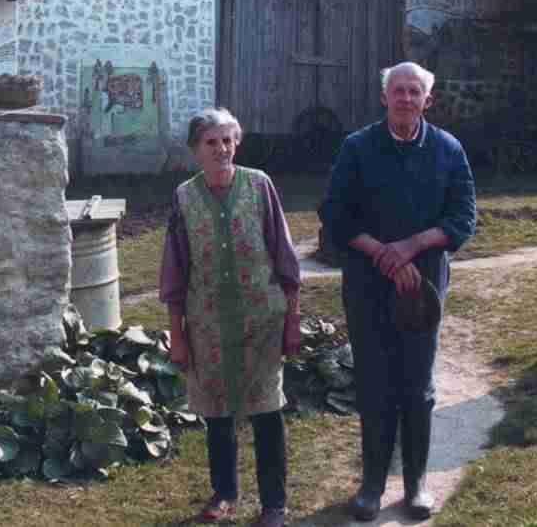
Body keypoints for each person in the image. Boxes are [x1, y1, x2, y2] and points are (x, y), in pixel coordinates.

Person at [319, 62, 476, 521]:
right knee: (373, 381)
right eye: (397, 91)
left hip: (423, 284)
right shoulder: (357, 148)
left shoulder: (448, 150)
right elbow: (335, 213)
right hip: (368, 282)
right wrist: (382, 254)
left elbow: (463, 216)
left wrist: (412, 247)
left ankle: (416, 484)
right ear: (383, 97)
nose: (405, 98)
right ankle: (371, 485)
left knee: (417, 384)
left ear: (428, 100)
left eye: (414, 92)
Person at [160, 108, 302, 527]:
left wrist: (292, 320)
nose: (222, 149)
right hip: (207, 323)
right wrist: (178, 335)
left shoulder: (259, 186)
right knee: (217, 414)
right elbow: (175, 271)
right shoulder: (184, 197)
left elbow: (285, 258)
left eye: (228, 140)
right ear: (194, 150)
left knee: (266, 411)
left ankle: (273, 503)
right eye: (211, 142)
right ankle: (224, 493)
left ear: (236, 143)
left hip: (263, 320)